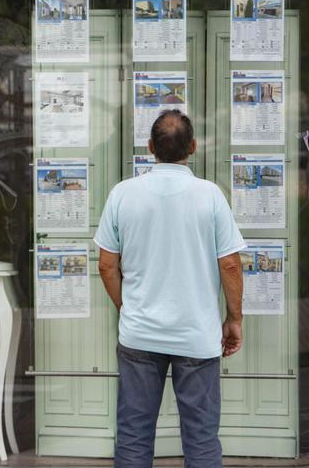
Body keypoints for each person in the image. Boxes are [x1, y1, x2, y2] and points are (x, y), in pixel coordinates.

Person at [94, 109, 245, 468]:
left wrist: (125, 305)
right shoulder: (209, 196)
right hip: (197, 336)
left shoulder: (123, 194)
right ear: (192, 147)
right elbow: (230, 264)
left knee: (133, 435)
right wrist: (234, 318)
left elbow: (105, 264)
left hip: (140, 336)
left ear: (150, 148)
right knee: (202, 437)